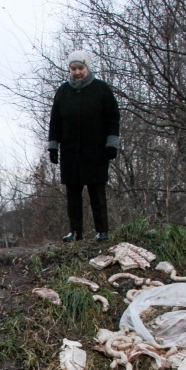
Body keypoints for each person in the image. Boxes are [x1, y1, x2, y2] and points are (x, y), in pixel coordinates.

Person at [48, 49, 120, 242]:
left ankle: (102, 231)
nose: (77, 72)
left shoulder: (101, 90)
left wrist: (112, 144)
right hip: (70, 151)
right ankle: (75, 232)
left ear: (87, 67)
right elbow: (55, 121)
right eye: (73, 69)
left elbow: (113, 118)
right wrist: (53, 146)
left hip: (96, 150)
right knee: (72, 194)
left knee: (97, 192)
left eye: (80, 68)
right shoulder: (63, 92)